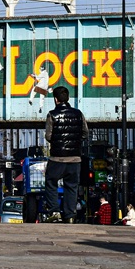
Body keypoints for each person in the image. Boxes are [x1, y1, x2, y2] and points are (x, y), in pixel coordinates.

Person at [44, 86, 87, 223]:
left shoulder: (52, 115)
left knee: (51, 182)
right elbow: (85, 133)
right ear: (68, 98)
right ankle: (70, 216)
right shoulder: (79, 114)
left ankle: (54, 211)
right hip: (75, 158)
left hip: (57, 158)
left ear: (55, 99)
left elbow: (48, 136)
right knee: (72, 186)